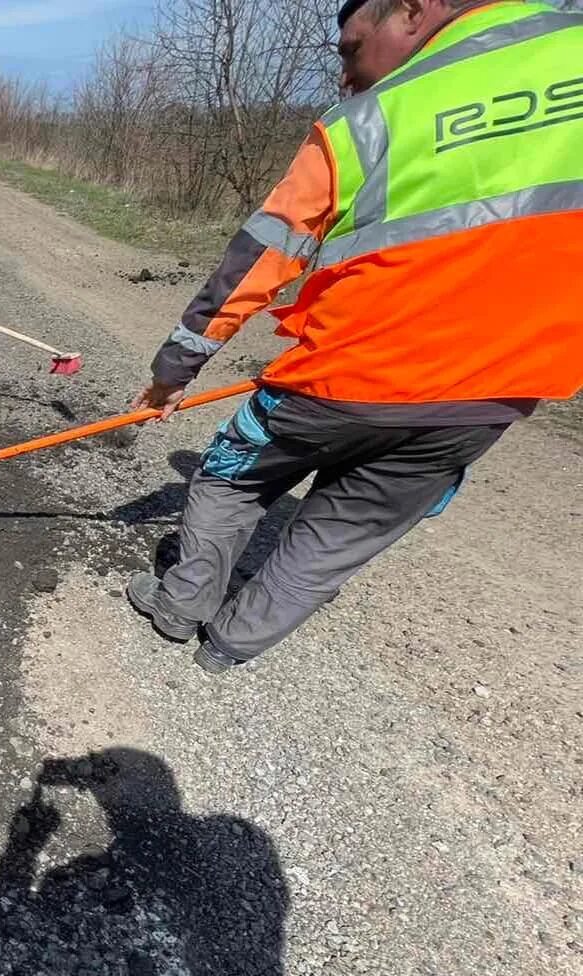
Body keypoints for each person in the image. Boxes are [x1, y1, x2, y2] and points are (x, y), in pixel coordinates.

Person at [125, 0, 582, 675]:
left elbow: (254, 263)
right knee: (344, 530)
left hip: (341, 377)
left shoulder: (367, 121)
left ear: (410, 10)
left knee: (228, 476)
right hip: (495, 392)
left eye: (349, 48)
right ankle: (229, 646)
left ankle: (177, 607)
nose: (344, 75)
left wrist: (172, 372)